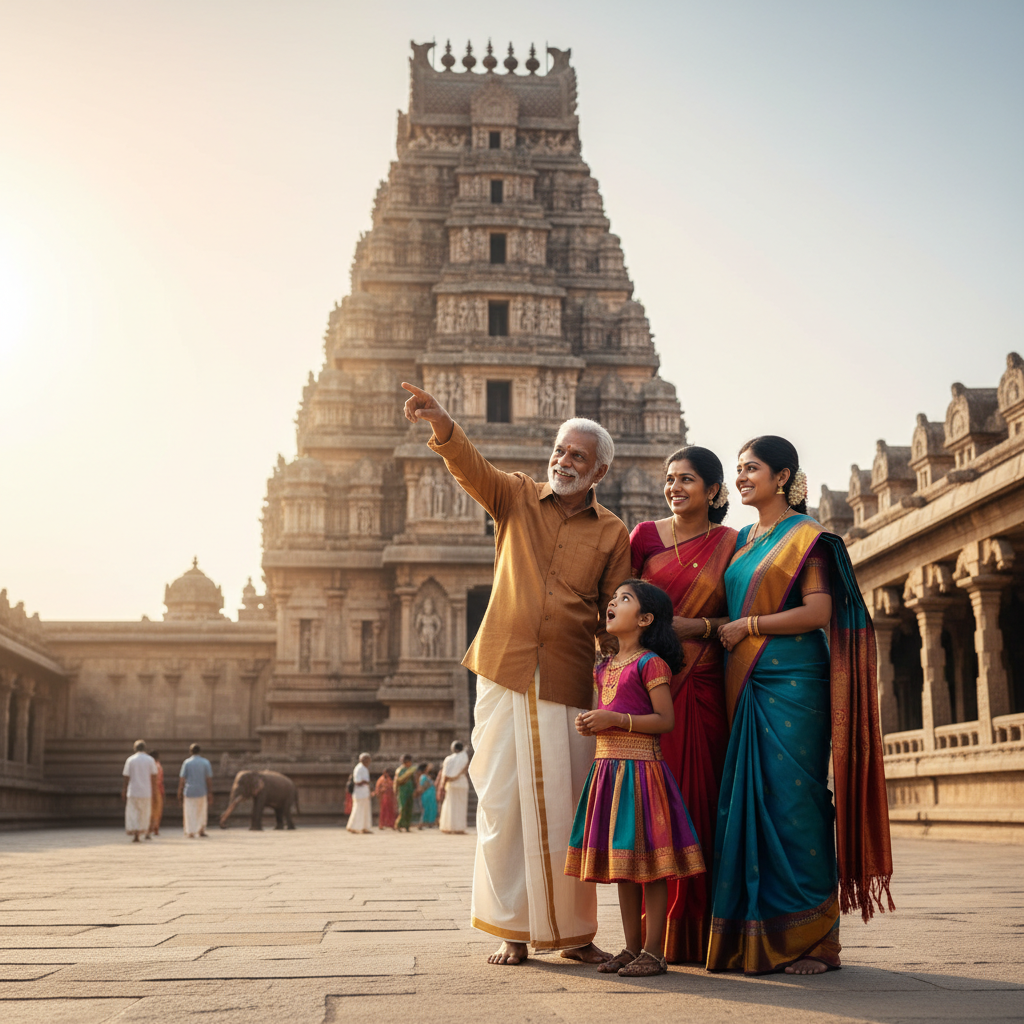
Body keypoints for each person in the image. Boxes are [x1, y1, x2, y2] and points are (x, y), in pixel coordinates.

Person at [402, 381, 631, 967]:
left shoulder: (612, 532)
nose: (564, 461)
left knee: (567, 807)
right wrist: (443, 424)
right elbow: (471, 469)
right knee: (504, 803)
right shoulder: (517, 497)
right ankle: (513, 929)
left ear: (600, 469)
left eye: (578, 456)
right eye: (560, 451)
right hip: (505, 666)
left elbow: (615, 610)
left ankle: (575, 933)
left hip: (568, 675)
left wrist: (631, 666)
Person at [710, 436, 893, 975]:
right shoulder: (743, 540)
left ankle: (818, 942)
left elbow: (818, 611)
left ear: (783, 476)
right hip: (746, 681)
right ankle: (760, 935)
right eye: (738, 469)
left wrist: (750, 626)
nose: (741, 477)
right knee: (746, 806)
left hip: (794, 681)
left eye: (752, 469)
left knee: (796, 806)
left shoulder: (806, 538)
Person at [629, 446, 737, 963]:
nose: (674, 487)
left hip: (706, 683)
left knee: (699, 801)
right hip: (653, 684)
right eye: (669, 478)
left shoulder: (732, 545)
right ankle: (655, 937)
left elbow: (744, 614)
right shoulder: (644, 538)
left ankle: (701, 931)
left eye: (687, 479)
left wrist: (704, 627)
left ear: (714, 491)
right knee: (655, 808)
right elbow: (620, 607)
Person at [566, 580, 705, 977]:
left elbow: (665, 720)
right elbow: (608, 710)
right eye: (612, 599)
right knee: (625, 865)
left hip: (642, 772)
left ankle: (654, 951)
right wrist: (593, 723)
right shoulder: (605, 666)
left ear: (645, 619)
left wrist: (615, 720)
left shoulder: (650, 663)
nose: (612, 603)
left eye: (623, 600)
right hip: (609, 770)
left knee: (652, 866)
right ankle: (630, 948)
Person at [121, 739, 158, 843]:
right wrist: (155, 792)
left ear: (135, 749)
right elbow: (154, 777)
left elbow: (126, 778)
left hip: (133, 791)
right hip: (146, 791)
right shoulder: (150, 760)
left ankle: (136, 834)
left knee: (133, 812)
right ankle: (143, 831)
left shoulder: (130, 760)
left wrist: (124, 790)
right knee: (144, 812)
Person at [177, 743, 213, 839]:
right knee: (201, 812)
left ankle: (190, 831)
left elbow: (182, 779)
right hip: (202, 791)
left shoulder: (187, 763)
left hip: (189, 791)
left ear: (190, 751)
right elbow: (208, 779)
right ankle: (201, 830)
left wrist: (179, 791)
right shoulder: (205, 762)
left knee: (189, 812)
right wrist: (210, 792)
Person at [437, 741, 469, 834]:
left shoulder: (448, 759)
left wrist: (443, 784)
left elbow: (445, 773)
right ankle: (459, 828)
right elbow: (465, 769)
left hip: (450, 784)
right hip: (461, 783)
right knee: (460, 806)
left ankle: (447, 826)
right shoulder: (464, 757)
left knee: (449, 805)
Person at [346, 752, 373, 833]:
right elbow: (357, 781)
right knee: (358, 810)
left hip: (364, 793)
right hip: (360, 793)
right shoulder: (359, 768)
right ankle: (353, 827)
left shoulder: (364, 768)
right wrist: (365, 782)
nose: (368, 761)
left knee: (365, 811)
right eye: (367, 760)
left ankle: (364, 827)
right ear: (362, 760)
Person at [394, 755, 416, 832]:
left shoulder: (411, 770)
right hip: (402, 791)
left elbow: (414, 780)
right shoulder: (400, 770)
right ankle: (398, 825)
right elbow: (398, 781)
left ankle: (407, 825)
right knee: (402, 808)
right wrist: (407, 775)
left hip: (410, 790)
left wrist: (415, 789)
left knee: (409, 808)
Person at [147, 751, 165, 838]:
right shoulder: (158, 765)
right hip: (157, 789)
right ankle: (154, 828)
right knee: (157, 810)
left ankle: (151, 828)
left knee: (152, 809)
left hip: (150, 789)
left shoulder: (151, 765)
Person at [417, 763, 438, 829]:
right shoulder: (423, 777)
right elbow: (422, 786)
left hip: (430, 795)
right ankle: (422, 823)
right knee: (426, 809)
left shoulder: (427, 776)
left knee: (431, 808)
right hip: (427, 795)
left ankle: (430, 823)